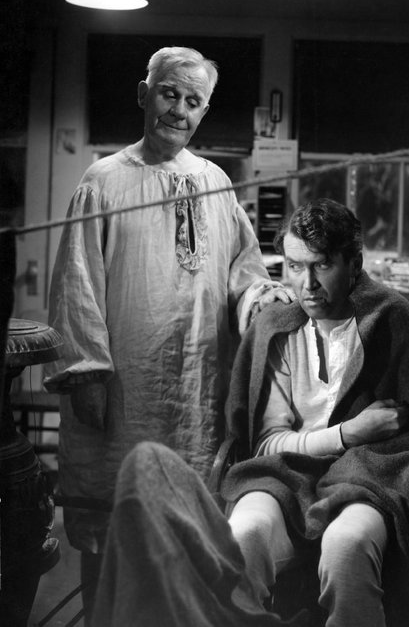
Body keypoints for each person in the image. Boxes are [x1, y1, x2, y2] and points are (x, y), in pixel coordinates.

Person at [91, 199, 409, 627]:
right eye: (294, 266)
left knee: (347, 547)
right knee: (243, 537)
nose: (307, 284)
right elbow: (268, 444)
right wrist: (349, 433)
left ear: (355, 264)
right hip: (284, 476)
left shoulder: (394, 319)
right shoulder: (277, 329)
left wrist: (368, 454)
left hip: (370, 480)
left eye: (322, 265)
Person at [43, 46, 291, 622]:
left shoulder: (215, 182)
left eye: (193, 100)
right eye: (169, 93)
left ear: (204, 111)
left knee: (191, 531)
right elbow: (77, 284)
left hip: (196, 393)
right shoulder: (103, 181)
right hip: (121, 394)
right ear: (144, 94)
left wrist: (262, 298)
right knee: (113, 528)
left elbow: (244, 269)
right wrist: (87, 373)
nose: (179, 109)